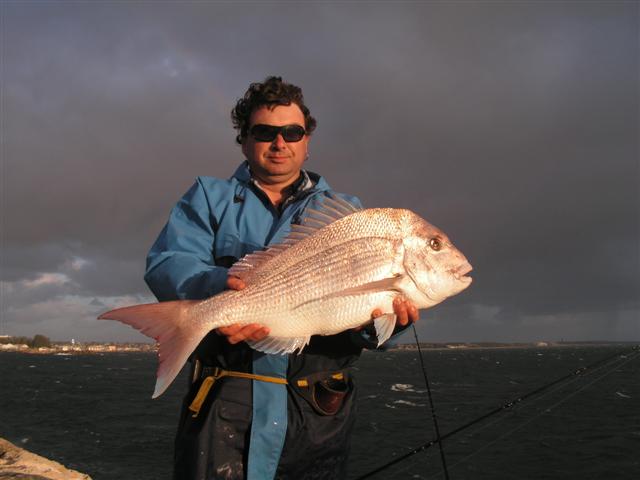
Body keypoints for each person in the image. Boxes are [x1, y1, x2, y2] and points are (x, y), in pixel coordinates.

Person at [144, 76, 419, 480]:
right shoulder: (208, 195)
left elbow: (369, 323)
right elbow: (168, 262)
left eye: (292, 132)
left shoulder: (347, 211)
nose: (280, 142)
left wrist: (386, 325)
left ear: (307, 141)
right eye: (265, 132)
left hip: (316, 410)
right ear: (244, 140)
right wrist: (224, 287)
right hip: (226, 403)